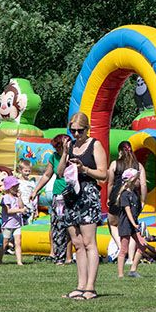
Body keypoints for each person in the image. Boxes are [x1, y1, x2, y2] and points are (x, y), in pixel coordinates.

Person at [58, 112, 108, 300]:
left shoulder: (95, 145)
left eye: (80, 131)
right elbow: (60, 173)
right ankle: (80, 285)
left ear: (87, 129)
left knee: (89, 243)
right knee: (78, 244)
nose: (76, 134)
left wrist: (84, 169)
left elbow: (104, 175)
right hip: (72, 195)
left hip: (88, 194)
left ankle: (90, 287)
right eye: (73, 131)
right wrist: (64, 153)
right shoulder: (70, 145)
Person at [32, 134, 72, 265]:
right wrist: (35, 190)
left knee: (71, 226)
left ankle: (69, 256)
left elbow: (64, 172)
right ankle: (59, 256)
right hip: (58, 194)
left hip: (72, 194)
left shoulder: (73, 157)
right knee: (57, 225)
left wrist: (66, 153)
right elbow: (47, 175)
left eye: (58, 147)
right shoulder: (53, 157)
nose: (56, 150)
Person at [105, 141, 147, 261]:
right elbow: (143, 185)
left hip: (117, 197)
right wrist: (143, 200)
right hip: (133, 198)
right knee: (132, 227)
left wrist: (108, 198)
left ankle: (121, 247)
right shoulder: (138, 165)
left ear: (119, 152)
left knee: (113, 224)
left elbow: (110, 184)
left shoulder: (114, 164)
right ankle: (131, 257)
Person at [115, 168, 146, 278]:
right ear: (131, 180)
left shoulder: (135, 194)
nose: (139, 181)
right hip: (126, 224)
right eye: (137, 179)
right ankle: (120, 274)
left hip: (134, 224)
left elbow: (135, 211)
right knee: (124, 249)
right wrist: (134, 224)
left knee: (142, 245)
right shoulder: (124, 194)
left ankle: (133, 270)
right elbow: (127, 211)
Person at [0, 176, 25, 265]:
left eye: (17, 186)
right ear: (9, 188)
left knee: (18, 242)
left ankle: (19, 261)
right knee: (5, 243)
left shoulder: (16, 197)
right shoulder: (6, 198)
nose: (16, 188)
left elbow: (21, 206)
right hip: (8, 224)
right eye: (14, 186)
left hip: (17, 224)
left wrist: (20, 197)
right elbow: (8, 211)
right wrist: (20, 211)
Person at [16, 159, 37, 225]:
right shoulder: (17, 182)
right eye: (25, 171)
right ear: (20, 170)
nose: (27, 173)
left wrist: (36, 209)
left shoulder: (32, 183)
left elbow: (35, 197)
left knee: (28, 225)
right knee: (19, 225)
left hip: (29, 207)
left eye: (29, 171)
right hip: (19, 206)